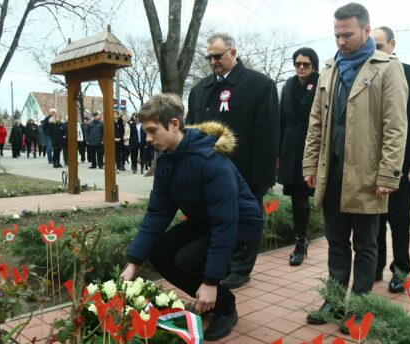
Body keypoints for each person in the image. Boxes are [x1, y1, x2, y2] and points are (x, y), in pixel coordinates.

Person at [119, 93, 263, 341]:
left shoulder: (210, 161)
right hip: (206, 221)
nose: (148, 138)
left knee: (187, 261)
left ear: (174, 124)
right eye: (146, 132)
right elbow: (157, 213)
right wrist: (133, 261)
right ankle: (210, 299)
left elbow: (225, 223)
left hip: (239, 225)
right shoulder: (166, 160)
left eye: (153, 131)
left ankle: (224, 306)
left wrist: (210, 280)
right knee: (159, 252)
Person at [302, 3, 407, 328]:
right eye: (336, 34)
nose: (340, 41)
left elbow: (395, 126)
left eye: (347, 34)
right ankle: (333, 303)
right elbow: (316, 122)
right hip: (331, 174)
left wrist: (389, 173)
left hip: (367, 176)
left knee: (365, 245)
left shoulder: (388, 67)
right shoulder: (330, 68)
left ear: (365, 30)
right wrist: (309, 164)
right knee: (336, 243)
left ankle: (360, 308)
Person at [186, 32, 279, 289]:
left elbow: (268, 134)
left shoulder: (260, 85)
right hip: (208, 172)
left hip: (245, 172)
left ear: (233, 53)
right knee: (215, 219)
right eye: (209, 57)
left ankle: (241, 266)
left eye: (217, 56)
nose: (213, 61)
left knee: (245, 219)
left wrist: (263, 177)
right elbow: (190, 131)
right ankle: (220, 263)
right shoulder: (199, 89)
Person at [371, 26, 410, 293]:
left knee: (398, 218)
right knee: (373, 218)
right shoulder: (366, 73)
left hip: (401, 162)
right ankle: (375, 265)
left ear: (393, 44)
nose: (375, 51)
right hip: (369, 161)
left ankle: (401, 269)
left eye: (379, 46)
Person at [277, 47, 320, 266]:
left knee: (321, 196)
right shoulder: (288, 86)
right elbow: (281, 120)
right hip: (291, 146)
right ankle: (300, 242)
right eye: (297, 64)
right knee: (298, 197)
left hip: (314, 144)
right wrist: (278, 154)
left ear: (314, 66)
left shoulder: (321, 84)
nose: (301, 68)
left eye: (306, 64)